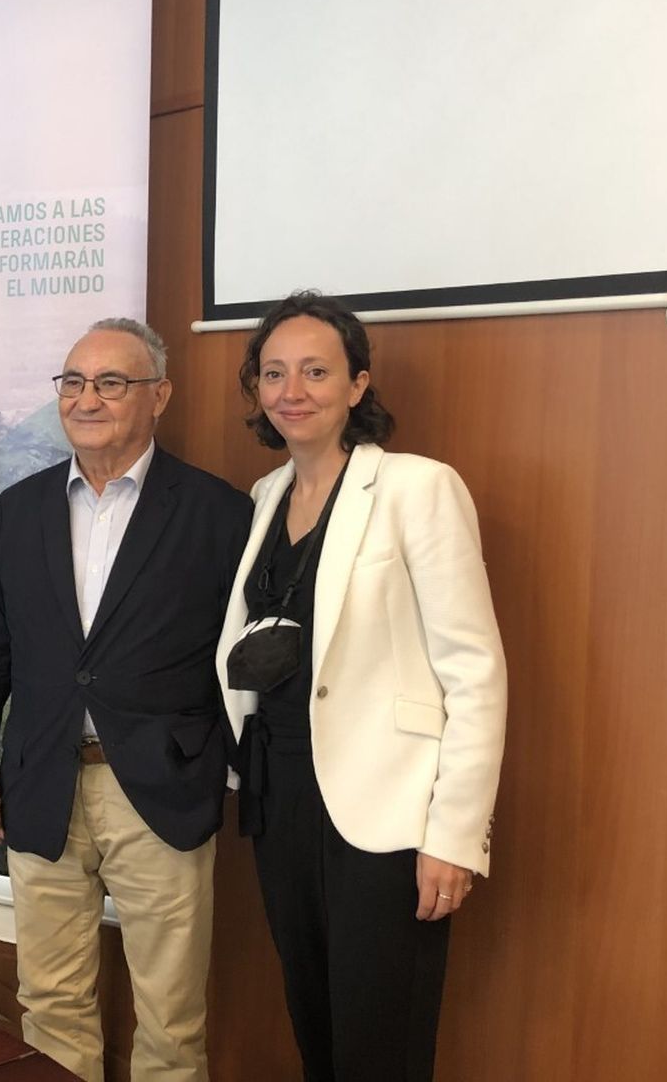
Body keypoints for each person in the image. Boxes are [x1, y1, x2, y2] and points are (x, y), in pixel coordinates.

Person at [215, 291, 507, 1081]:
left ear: (358, 384)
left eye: (316, 370)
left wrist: (454, 835)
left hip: (386, 813)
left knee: (381, 1044)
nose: (292, 390)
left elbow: (474, 670)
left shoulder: (418, 487)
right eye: (272, 373)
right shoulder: (264, 498)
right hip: (280, 798)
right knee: (316, 1027)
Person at [0, 317, 251, 1082]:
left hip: (159, 788)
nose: (88, 399)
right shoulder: (19, 510)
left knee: (172, 1018)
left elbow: (240, 662)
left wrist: (222, 768)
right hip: (40, 785)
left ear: (160, 395)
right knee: (49, 1004)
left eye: (111, 382)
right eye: (74, 382)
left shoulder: (218, 513)